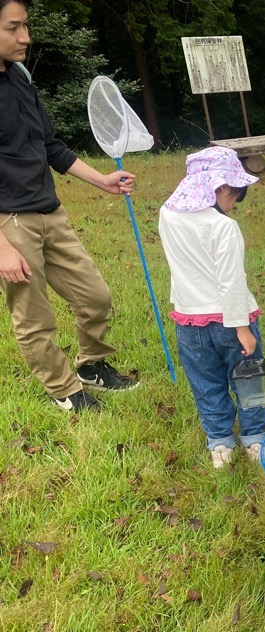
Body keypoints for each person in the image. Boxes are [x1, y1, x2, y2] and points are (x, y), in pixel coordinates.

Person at [0, 0, 138, 412]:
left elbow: (50, 145)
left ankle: (92, 365)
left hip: (49, 211)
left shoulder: (21, 77)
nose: (25, 37)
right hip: (10, 223)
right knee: (34, 317)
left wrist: (102, 181)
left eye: (25, 26)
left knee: (95, 296)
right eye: (13, 28)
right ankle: (65, 390)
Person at [158, 147, 265, 469]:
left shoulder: (168, 214)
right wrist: (242, 329)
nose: (233, 205)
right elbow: (230, 281)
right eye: (234, 195)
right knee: (247, 381)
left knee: (206, 384)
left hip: (188, 322)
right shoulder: (223, 228)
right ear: (219, 187)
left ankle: (220, 442)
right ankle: (255, 437)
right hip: (230, 323)